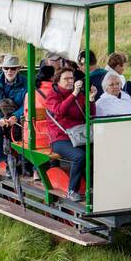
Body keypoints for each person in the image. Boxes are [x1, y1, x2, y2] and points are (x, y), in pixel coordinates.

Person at [44, 66, 96, 201]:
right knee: (79, 156)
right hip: (60, 138)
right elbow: (60, 111)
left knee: (97, 151)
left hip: (79, 136)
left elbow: (89, 115)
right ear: (57, 81)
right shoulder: (52, 95)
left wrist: (90, 100)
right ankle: (72, 190)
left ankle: (92, 186)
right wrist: (74, 94)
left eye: (71, 78)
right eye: (66, 79)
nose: (70, 81)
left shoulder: (78, 94)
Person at [0, 54, 28, 165]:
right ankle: (4, 162)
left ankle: (25, 162)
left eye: (13, 68)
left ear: (18, 69)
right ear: (2, 68)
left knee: (27, 133)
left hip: (19, 116)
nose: (9, 71)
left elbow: (27, 104)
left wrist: (16, 116)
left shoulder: (26, 82)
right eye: (6, 68)